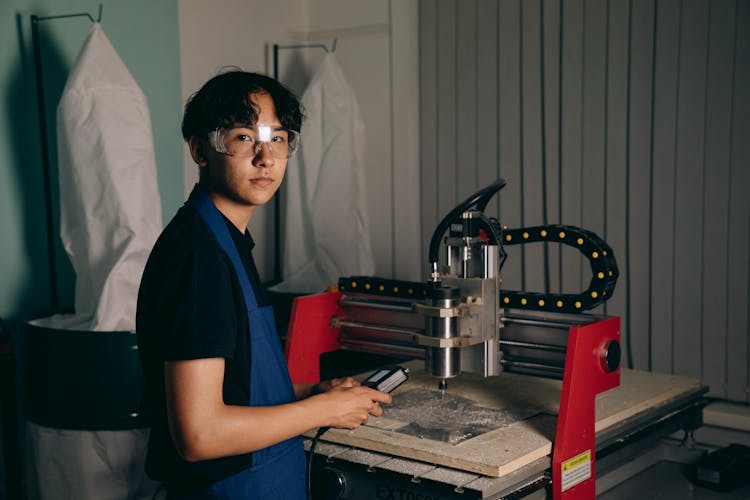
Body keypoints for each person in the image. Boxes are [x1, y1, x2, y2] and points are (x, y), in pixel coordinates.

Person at [136, 70, 392, 499]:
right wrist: (321, 410)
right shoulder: (200, 258)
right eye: (242, 137)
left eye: (277, 138)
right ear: (201, 150)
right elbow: (199, 434)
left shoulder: (224, 240)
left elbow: (234, 385)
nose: (265, 157)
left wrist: (311, 392)